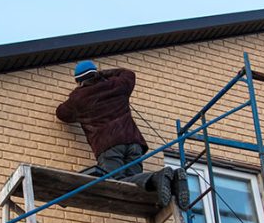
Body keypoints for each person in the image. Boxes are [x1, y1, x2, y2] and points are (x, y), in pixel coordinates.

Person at [56, 60, 189, 210]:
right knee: (134, 185)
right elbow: (128, 73)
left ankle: (158, 176)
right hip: (134, 142)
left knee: (118, 182)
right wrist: (103, 74)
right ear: (95, 73)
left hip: (109, 146)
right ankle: (175, 177)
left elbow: (61, 114)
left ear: (79, 81)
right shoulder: (117, 85)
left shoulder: (79, 98)